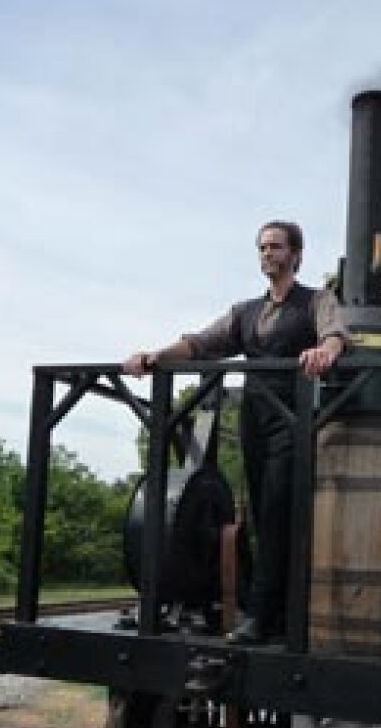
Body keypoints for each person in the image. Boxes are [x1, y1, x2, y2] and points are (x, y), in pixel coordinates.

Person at [123, 220, 349, 643]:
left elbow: (335, 334)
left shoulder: (317, 300)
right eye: (262, 247)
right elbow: (199, 343)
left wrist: (325, 351)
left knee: (281, 512)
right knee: (262, 512)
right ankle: (267, 609)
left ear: (296, 255)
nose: (267, 253)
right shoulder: (245, 311)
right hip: (254, 417)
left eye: (276, 247)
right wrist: (154, 356)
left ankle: (267, 618)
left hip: (293, 418)